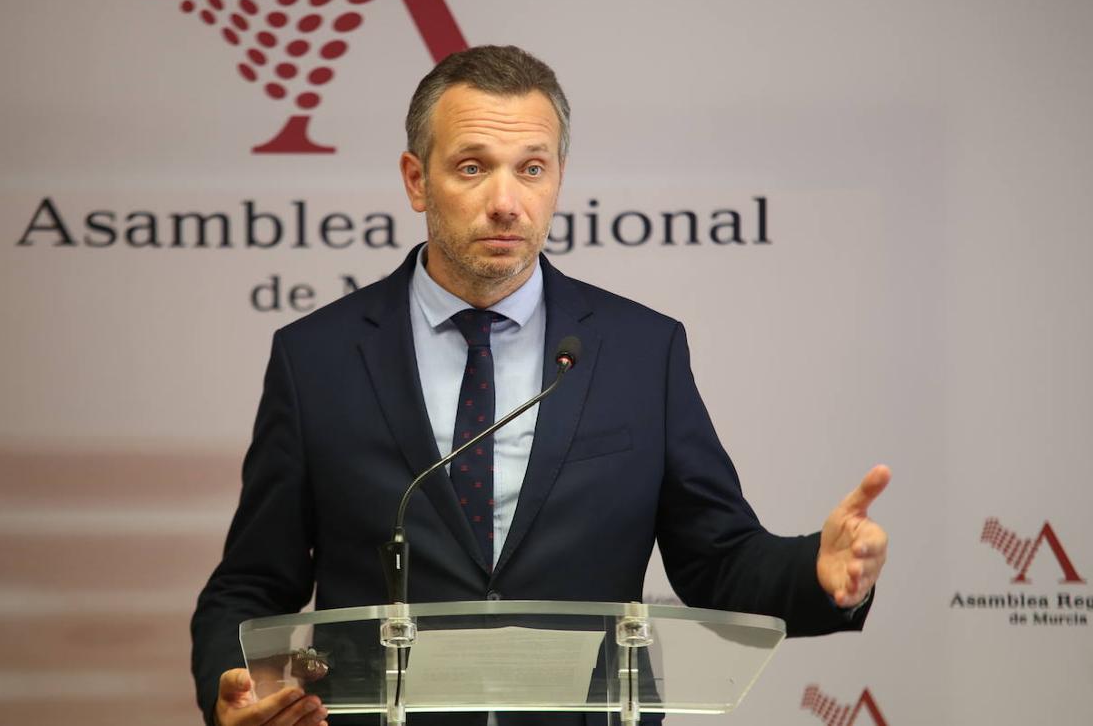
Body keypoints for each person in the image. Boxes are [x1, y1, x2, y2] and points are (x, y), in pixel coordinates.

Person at [191, 46, 890, 726]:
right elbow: (254, 581)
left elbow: (718, 561)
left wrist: (815, 572)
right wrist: (235, 697)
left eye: (531, 169)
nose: (506, 202)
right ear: (415, 179)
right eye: (472, 167)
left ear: (558, 177)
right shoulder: (317, 357)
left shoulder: (641, 350)